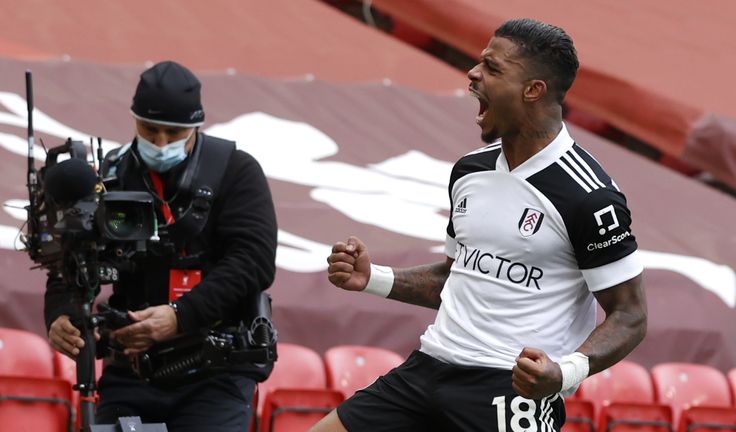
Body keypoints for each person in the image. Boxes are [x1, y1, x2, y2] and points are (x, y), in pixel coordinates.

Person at [314, 18, 647, 432]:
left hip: (507, 390)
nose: (473, 74)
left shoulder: (590, 196)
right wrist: (373, 278)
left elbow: (631, 315)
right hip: (427, 368)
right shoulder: (469, 171)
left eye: (492, 68)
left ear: (533, 90)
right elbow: (456, 277)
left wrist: (566, 373)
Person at [44, 61, 278, 431]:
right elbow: (72, 257)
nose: (161, 142)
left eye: (175, 132)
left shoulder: (236, 170)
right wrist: (59, 314)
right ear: (133, 119)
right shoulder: (110, 175)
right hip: (129, 371)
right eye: (149, 130)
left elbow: (254, 261)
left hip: (214, 372)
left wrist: (179, 316)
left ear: (197, 126)